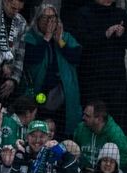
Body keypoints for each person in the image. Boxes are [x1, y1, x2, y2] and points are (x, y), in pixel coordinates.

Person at [23, 4, 81, 136]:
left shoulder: (65, 37)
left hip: (63, 95)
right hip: (38, 94)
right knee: (38, 130)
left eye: (53, 18)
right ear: (37, 20)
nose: (50, 22)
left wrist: (59, 41)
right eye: (45, 18)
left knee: (61, 132)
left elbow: (76, 57)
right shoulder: (31, 36)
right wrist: (46, 38)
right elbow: (32, 59)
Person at [73, 99, 127, 172]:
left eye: (87, 116)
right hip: (84, 172)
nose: (83, 118)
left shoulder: (115, 134)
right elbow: (74, 149)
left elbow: (123, 159)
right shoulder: (81, 128)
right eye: (84, 114)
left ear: (99, 119)